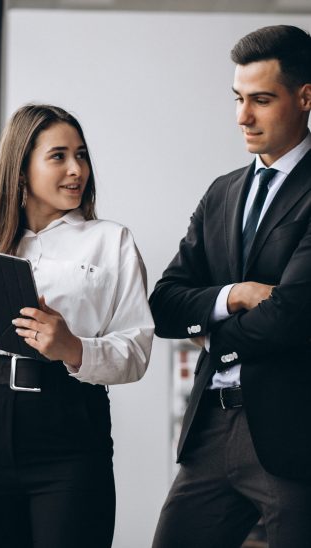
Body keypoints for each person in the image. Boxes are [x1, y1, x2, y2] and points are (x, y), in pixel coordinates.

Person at [0, 104, 154, 548]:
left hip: (70, 425)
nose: (76, 169)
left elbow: (137, 352)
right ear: (21, 171)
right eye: (58, 156)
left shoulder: (111, 241)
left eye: (81, 155)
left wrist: (71, 347)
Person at [149, 25, 311, 548]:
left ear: (306, 97)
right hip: (210, 431)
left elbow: (291, 315)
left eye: (261, 100)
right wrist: (233, 296)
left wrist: (213, 334)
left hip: (292, 435)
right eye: (239, 99)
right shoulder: (222, 193)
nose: (243, 117)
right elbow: (164, 305)